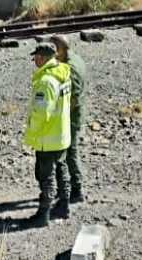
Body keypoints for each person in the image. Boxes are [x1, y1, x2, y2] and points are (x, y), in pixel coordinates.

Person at [23, 42, 72, 227]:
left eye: (36, 57)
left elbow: (41, 113)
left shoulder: (46, 81)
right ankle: (64, 207)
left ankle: (43, 215)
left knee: (46, 175)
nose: (34, 60)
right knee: (62, 169)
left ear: (42, 58)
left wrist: (31, 132)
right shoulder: (62, 73)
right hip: (61, 133)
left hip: (47, 137)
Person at [49, 35, 88, 203]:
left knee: (70, 152)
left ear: (62, 49)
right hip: (70, 114)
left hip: (71, 117)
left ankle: (77, 189)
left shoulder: (71, 67)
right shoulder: (72, 58)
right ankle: (66, 188)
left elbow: (73, 98)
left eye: (54, 49)